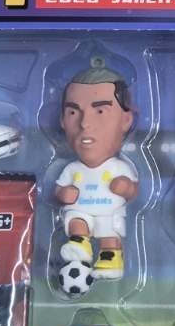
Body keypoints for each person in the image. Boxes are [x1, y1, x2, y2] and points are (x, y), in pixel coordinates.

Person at [53, 58, 139, 280]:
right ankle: (78, 244)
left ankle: (110, 258)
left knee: (110, 232)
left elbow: (134, 190)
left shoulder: (120, 167)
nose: (84, 123)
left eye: (100, 111)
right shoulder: (72, 168)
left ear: (126, 120)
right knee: (76, 220)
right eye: (73, 112)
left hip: (109, 212)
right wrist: (63, 193)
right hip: (81, 210)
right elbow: (59, 189)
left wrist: (126, 188)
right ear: (62, 120)